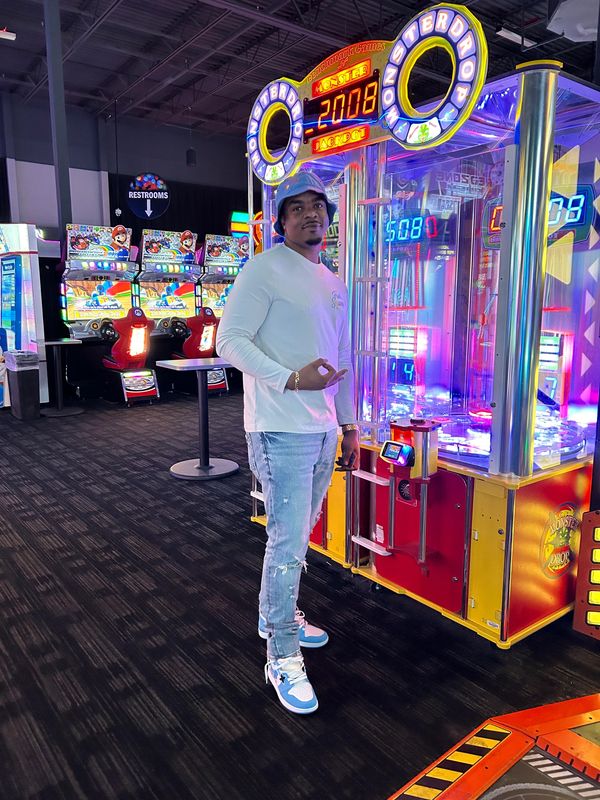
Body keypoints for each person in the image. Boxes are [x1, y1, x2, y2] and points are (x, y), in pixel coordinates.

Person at [216, 171, 359, 715]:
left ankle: (274, 616)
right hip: (279, 428)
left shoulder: (333, 280)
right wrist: (290, 379)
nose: (310, 214)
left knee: (296, 536)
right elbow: (230, 341)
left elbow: (341, 358)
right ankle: (281, 652)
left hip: (322, 430)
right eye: (296, 208)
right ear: (280, 222)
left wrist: (348, 425)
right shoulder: (264, 268)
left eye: (317, 205)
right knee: (287, 543)